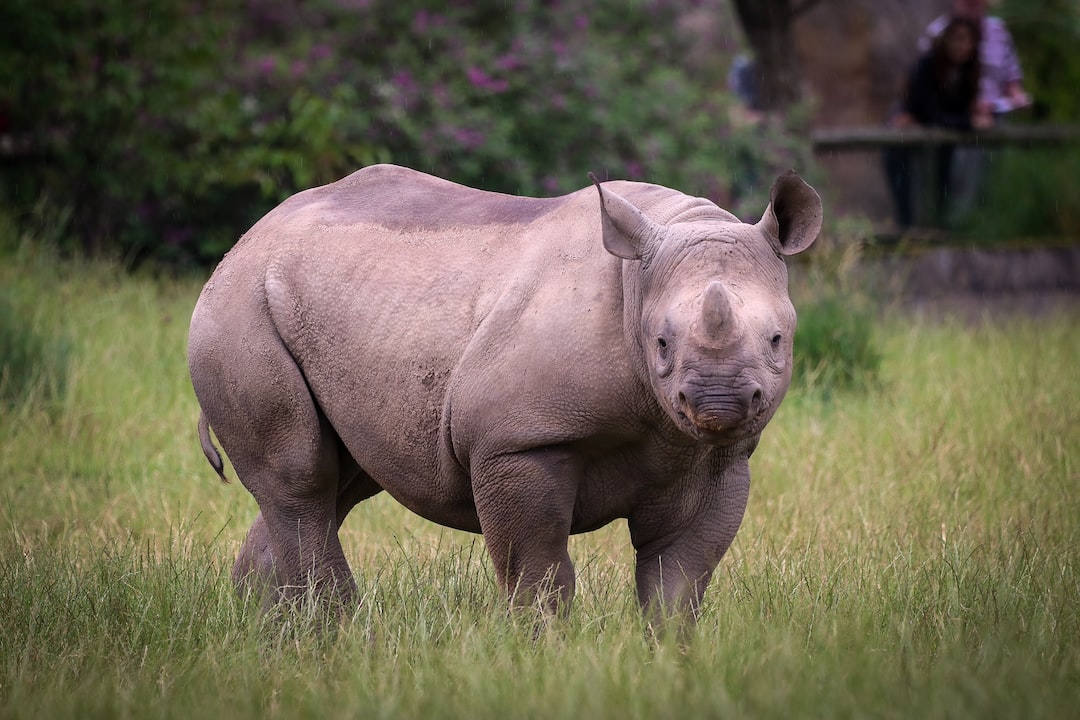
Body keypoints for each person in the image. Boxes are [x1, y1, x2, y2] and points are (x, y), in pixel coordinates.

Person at [884, 16, 990, 229]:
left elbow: (951, 112)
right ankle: (907, 228)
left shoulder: (970, 72)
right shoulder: (927, 66)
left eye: (966, 40)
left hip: (941, 137)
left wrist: (971, 117)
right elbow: (929, 112)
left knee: (943, 178)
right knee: (904, 178)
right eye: (956, 39)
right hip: (908, 133)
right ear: (946, 40)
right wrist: (969, 123)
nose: (960, 46)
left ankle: (941, 226)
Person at [920, 0, 1030, 118]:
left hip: (994, 113)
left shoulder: (999, 30)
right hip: (950, 113)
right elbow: (926, 80)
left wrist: (1017, 96)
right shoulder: (937, 32)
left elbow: (1011, 76)